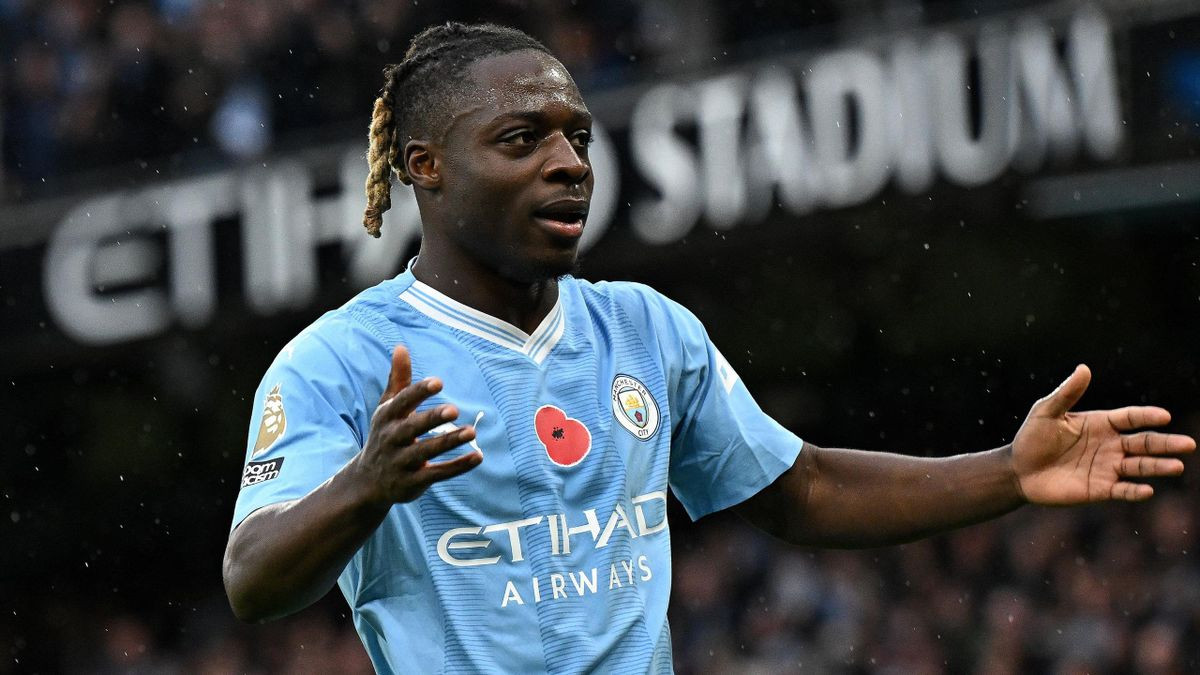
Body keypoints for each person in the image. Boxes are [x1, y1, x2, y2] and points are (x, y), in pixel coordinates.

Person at [222, 22, 1195, 674]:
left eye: (577, 138)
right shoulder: (339, 362)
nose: (568, 164)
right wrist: (367, 485)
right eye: (522, 140)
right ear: (425, 167)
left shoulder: (645, 329)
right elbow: (253, 579)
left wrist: (1007, 473)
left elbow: (803, 489)